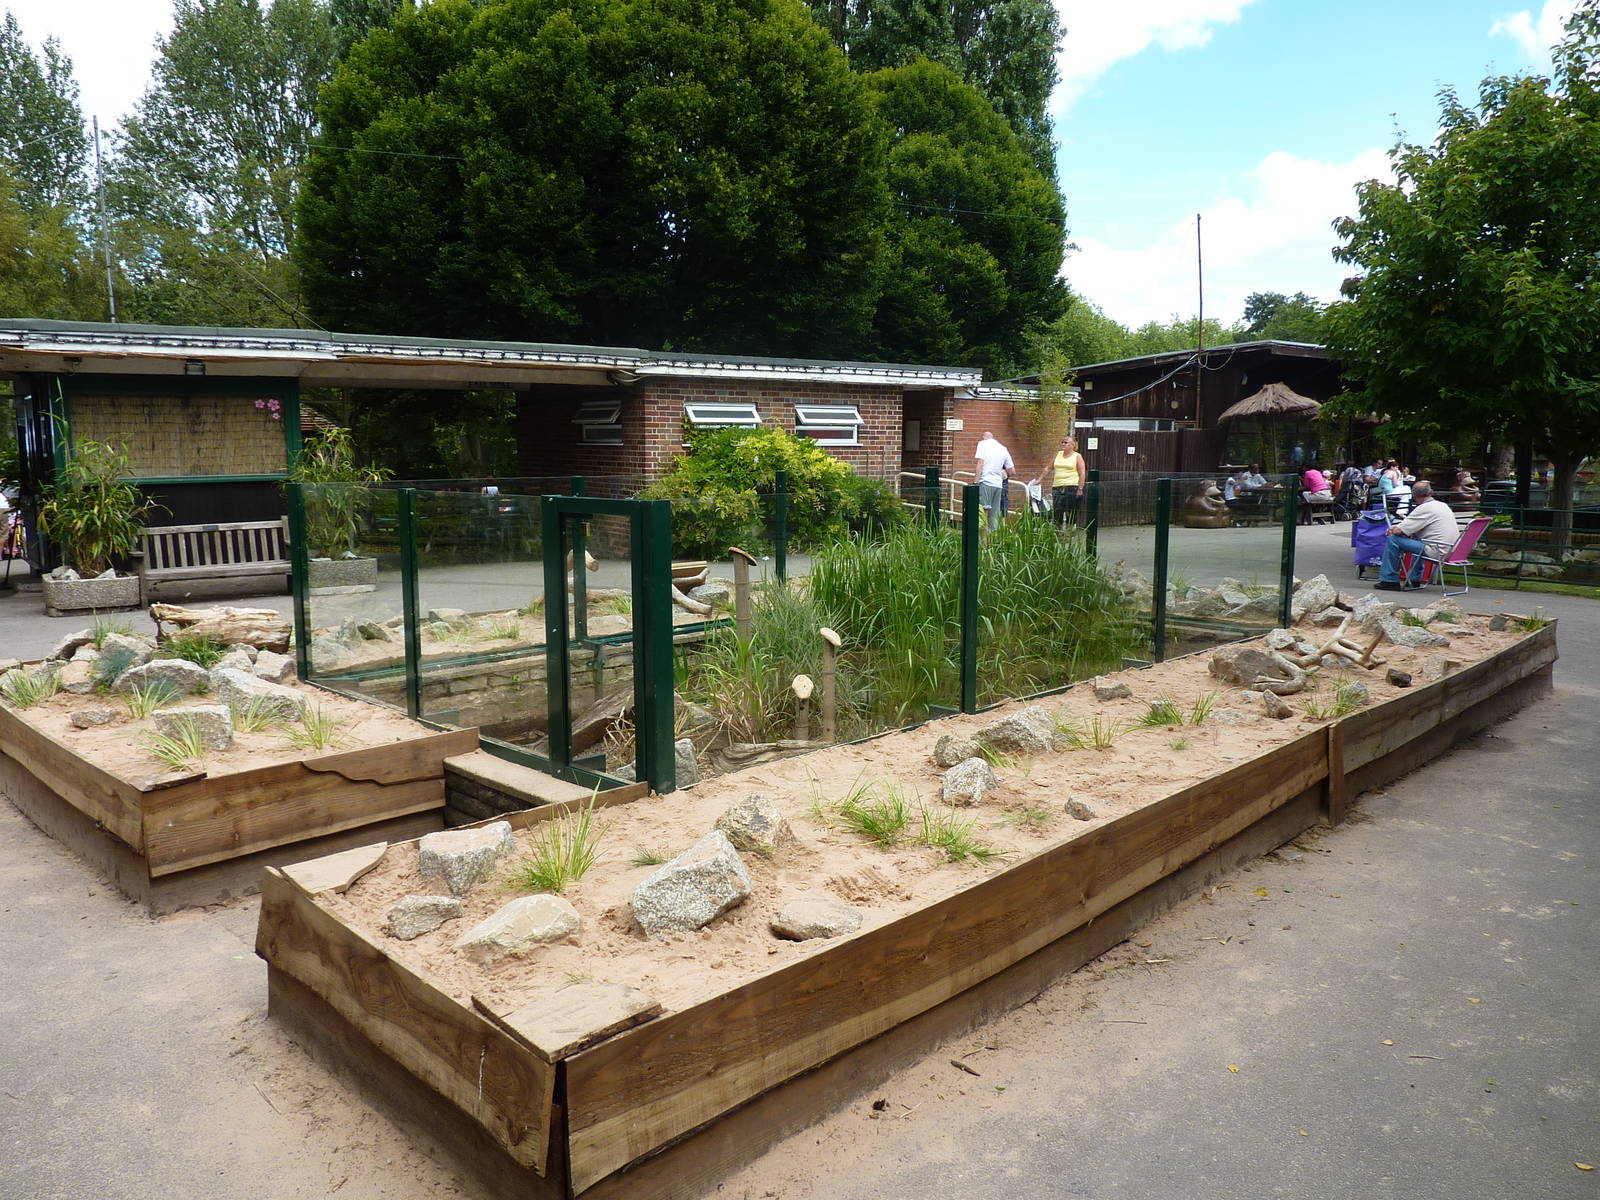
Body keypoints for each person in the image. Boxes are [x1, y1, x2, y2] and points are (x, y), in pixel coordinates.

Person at [1375, 482, 1459, 589]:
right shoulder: (1442, 505)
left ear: (1414, 495)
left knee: (1393, 540)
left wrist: (1393, 529)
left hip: (1437, 551)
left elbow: (1398, 531)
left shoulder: (1424, 508)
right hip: (1451, 550)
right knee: (1419, 541)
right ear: (1431, 493)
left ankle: (1389, 580)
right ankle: (1414, 578)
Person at [1032, 435, 1085, 529]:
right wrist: (1039, 480)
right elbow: (1048, 468)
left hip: (1072, 486)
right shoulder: (1058, 454)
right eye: (1062, 442)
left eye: (1066, 442)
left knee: (1070, 511)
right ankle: (1058, 534)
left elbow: (1082, 473)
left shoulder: (1077, 456)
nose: (1063, 444)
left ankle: (1069, 534)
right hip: (1057, 486)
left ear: (1072, 445)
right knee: (1057, 511)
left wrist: (1080, 488)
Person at [973, 430, 1013, 532]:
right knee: (994, 515)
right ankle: (994, 543)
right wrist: (1004, 473)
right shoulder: (1003, 448)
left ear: (984, 437)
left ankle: (983, 543)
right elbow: (1012, 470)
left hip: (986, 482)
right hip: (998, 484)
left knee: (983, 513)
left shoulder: (982, 444)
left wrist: (975, 481)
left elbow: (980, 462)